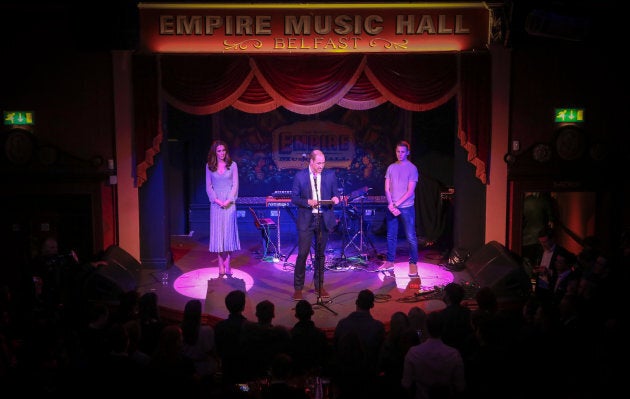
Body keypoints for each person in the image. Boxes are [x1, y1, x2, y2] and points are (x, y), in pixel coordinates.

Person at [290, 149, 340, 301]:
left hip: (323, 218)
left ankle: (319, 286)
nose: (321, 166)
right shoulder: (300, 176)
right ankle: (298, 288)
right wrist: (307, 202)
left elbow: (335, 194)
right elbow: (294, 198)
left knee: (320, 255)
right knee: (303, 254)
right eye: (318, 163)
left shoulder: (330, 175)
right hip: (307, 218)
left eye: (323, 163)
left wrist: (335, 198)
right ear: (311, 162)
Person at [377, 140, 420, 278]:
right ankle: (390, 261)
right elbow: (387, 188)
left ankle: (413, 263)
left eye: (402, 152)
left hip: (406, 208)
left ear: (407, 152)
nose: (400, 154)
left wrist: (396, 204)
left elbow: (410, 191)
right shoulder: (391, 167)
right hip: (392, 207)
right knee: (391, 235)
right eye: (398, 151)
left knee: (411, 237)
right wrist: (391, 204)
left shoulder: (412, 168)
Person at [206, 140, 241, 277]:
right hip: (216, 205)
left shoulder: (233, 166)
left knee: (229, 234)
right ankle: (220, 263)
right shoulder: (209, 166)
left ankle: (228, 263)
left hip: (229, 204)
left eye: (224, 150)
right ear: (215, 152)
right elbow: (209, 186)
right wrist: (217, 200)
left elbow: (235, 185)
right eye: (219, 151)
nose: (222, 153)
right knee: (219, 236)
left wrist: (228, 200)